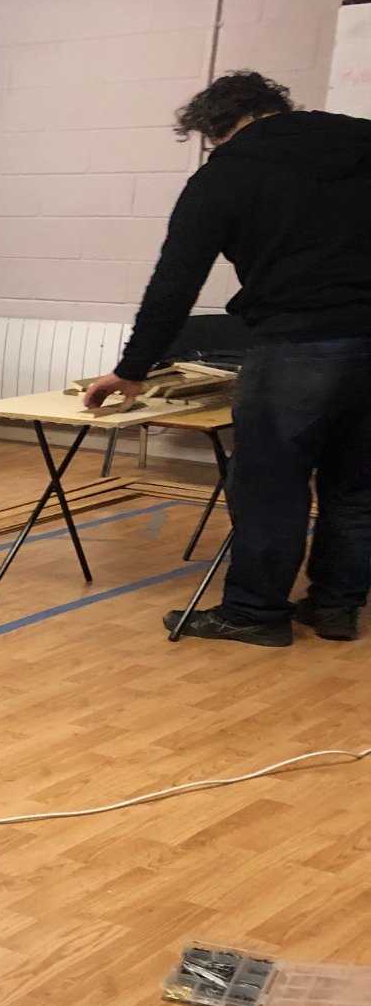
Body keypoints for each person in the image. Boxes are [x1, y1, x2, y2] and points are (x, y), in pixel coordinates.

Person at [84, 70, 371, 646]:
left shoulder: (228, 172)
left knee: (270, 485)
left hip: (296, 343)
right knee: (358, 487)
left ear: (219, 128)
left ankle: (254, 613)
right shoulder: (362, 140)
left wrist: (133, 369)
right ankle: (335, 608)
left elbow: (175, 281)